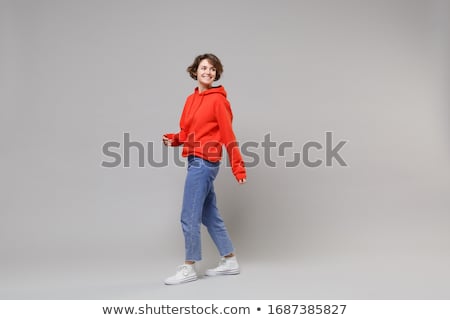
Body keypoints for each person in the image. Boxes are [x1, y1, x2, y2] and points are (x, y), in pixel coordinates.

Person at [162, 53, 247, 285]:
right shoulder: (191, 100)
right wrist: (175, 139)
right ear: (195, 72)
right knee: (210, 215)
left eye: (212, 69)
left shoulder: (218, 100)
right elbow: (190, 132)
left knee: (188, 215)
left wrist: (238, 167)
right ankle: (230, 260)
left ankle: (189, 267)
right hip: (193, 159)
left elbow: (228, 135)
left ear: (216, 73)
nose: (207, 72)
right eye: (203, 68)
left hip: (204, 162)